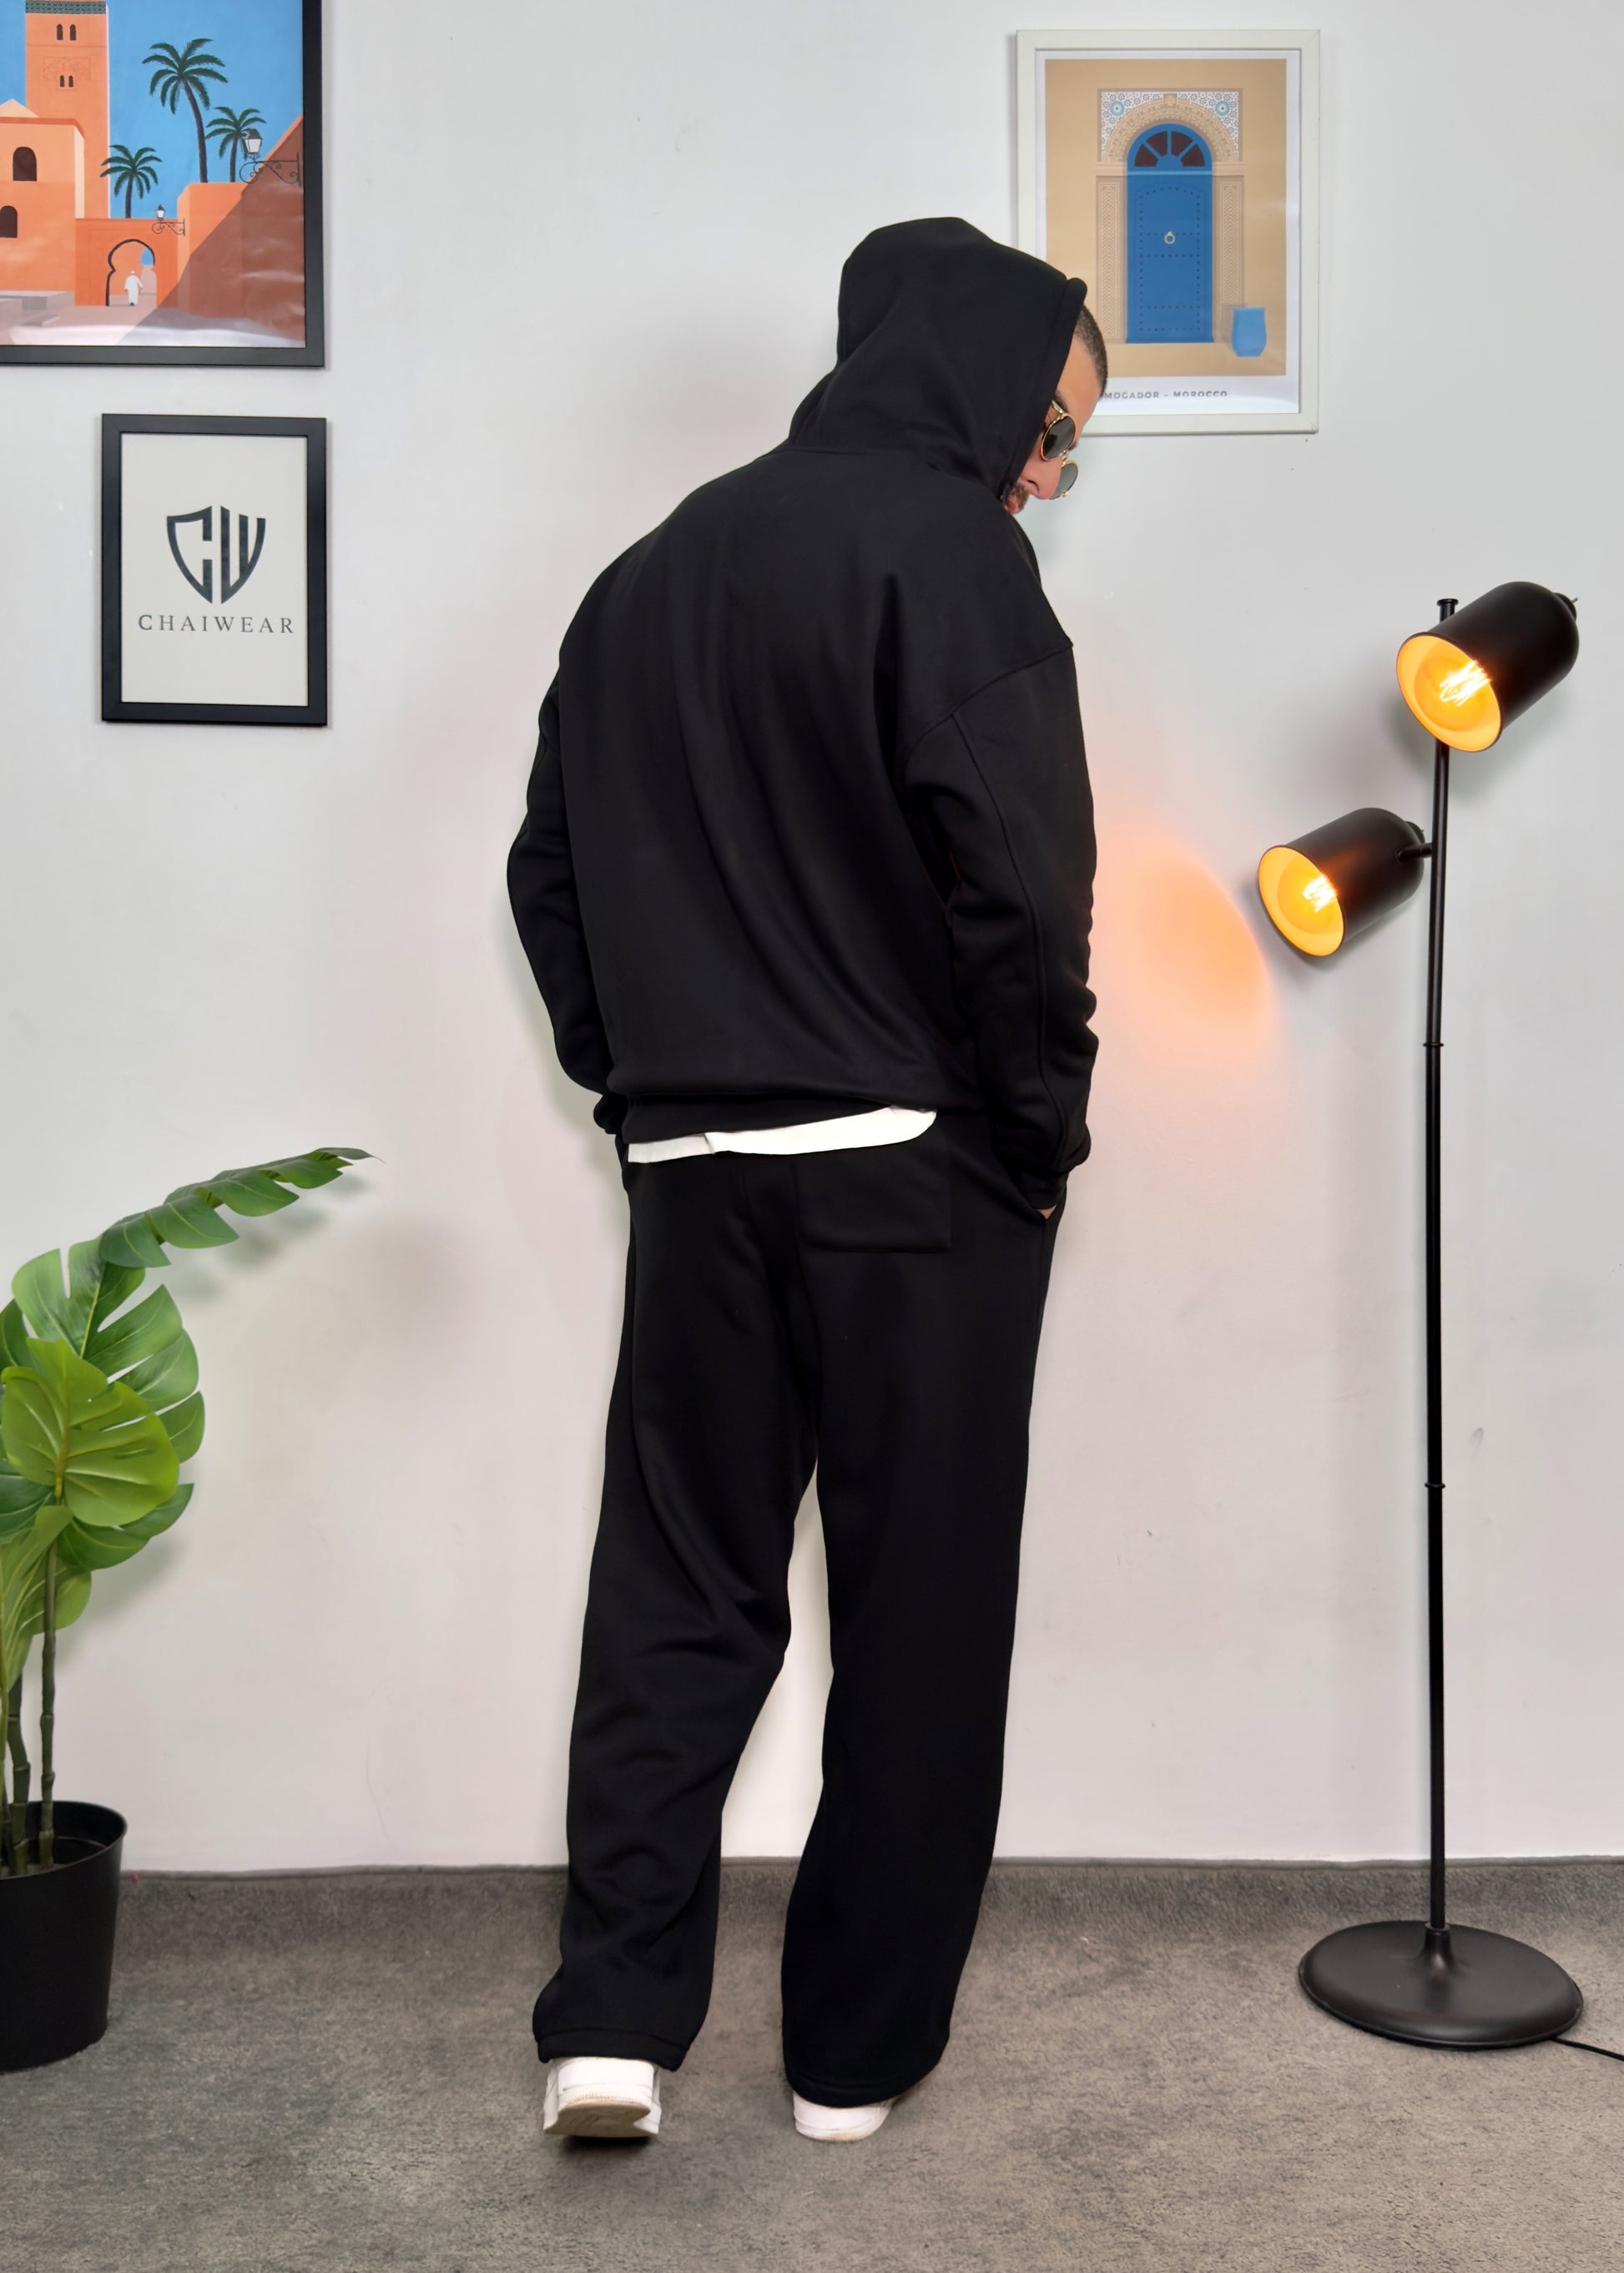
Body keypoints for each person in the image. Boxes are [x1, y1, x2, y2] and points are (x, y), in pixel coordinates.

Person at [508, 216, 1104, 2145]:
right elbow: (1020, 887)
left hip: (699, 1171)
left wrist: (641, 1083)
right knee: (917, 1615)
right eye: (1050, 429)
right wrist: (1033, 1135)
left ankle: (611, 2026)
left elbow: (547, 869)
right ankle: (847, 2061)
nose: (1046, 472)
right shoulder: (956, 560)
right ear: (976, 377)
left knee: (677, 1591)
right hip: (911, 1178)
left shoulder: (647, 572)